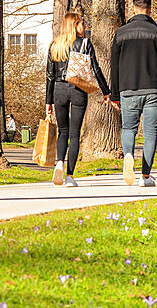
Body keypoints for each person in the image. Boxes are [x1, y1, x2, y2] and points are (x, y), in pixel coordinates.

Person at [110, 0, 157, 187]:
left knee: (128, 128)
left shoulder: (120, 33)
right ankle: (145, 175)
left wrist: (114, 94)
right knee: (150, 132)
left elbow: (115, 66)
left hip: (128, 88)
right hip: (153, 88)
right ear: (150, 9)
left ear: (132, 9)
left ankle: (128, 154)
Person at [45, 12, 110, 187]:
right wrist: (106, 91)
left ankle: (59, 162)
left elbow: (49, 76)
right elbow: (95, 69)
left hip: (58, 91)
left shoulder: (55, 45)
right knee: (74, 134)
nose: (85, 27)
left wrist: (48, 102)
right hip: (77, 89)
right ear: (75, 25)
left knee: (62, 131)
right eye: (82, 23)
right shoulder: (85, 44)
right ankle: (70, 176)